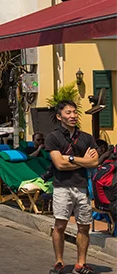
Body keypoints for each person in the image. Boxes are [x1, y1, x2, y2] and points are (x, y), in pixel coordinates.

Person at [46, 100, 99, 274]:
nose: (73, 116)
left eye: (75, 112)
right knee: (60, 225)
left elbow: (95, 161)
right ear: (59, 116)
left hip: (82, 187)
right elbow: (59, 165)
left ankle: (81, 264)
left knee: (84, 225)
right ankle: (59, 262)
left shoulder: (86, 137)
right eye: (68, 113)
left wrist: (70, 159)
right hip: (62, 186)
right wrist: (83, 161)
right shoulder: (53, 137)